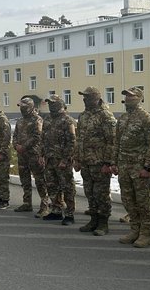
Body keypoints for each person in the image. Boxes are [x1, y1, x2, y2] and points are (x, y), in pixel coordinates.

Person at [113, 87, 150, 247]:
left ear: (139, 98)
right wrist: (114, 162)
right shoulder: (123, 118)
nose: (128, 99)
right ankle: (134, 230)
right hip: (124, 166)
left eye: (131, 96)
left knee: (142, 202)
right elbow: (117, 142)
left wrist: (147, 167)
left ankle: (145, 234)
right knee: (128, 200)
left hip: (139, 168)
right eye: (126, 96)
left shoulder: (147, 119)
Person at [75, 86, 116, 235]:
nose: (85, 100)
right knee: (89, 192)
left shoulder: (106, 116)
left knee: (101, 194)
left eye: (88, 97)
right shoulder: (83, 116)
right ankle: (93, 220)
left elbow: (111, 141)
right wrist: (77, 159)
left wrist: (108, 163)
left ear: (97, 98)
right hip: (86, 162)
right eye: (84, 97)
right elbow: (79, 139)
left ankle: (103, 223)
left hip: (99, 163)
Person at [41, 95, 77, 225]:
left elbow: (72, 142)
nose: (51, 106)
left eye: (53, 103)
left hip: (62, 160)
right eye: (49, 103)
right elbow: (43, 138)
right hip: (50, 158)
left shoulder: (67, 120)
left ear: (60, 104)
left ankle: (69, 214)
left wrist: (66, 159)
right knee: (52, 186)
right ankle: (56, 210)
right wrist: (42, 155)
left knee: (67, 187)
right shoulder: (48, 119)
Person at [13, 96, 49, 216]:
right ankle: (27, 203)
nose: (22, 109)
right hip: (22, 155)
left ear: (30, 107)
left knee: (40, 181)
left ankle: (45, 205)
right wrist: (16, 145)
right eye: (21, 107)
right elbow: (15, 135)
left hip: (34, 154)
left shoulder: (37, 120)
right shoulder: (20, 121)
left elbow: (37, 136)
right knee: (25, 180)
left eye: (24, 107)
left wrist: (24, 146)